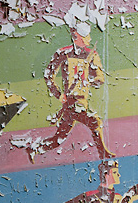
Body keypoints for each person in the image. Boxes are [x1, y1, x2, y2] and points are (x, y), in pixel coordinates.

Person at [29, 23, 109, 161]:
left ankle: (37, 149)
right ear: (75, 36)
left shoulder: (92, 54)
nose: (88, 39)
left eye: (88, 35)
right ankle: (103, 154)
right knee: (94, 123)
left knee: (60, 137)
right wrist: (58, 94)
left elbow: (100, 78)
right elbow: (48, 74)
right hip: (71, 101)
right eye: (84, 36)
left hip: (82, 100)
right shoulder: (63, 53)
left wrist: (90, 79)